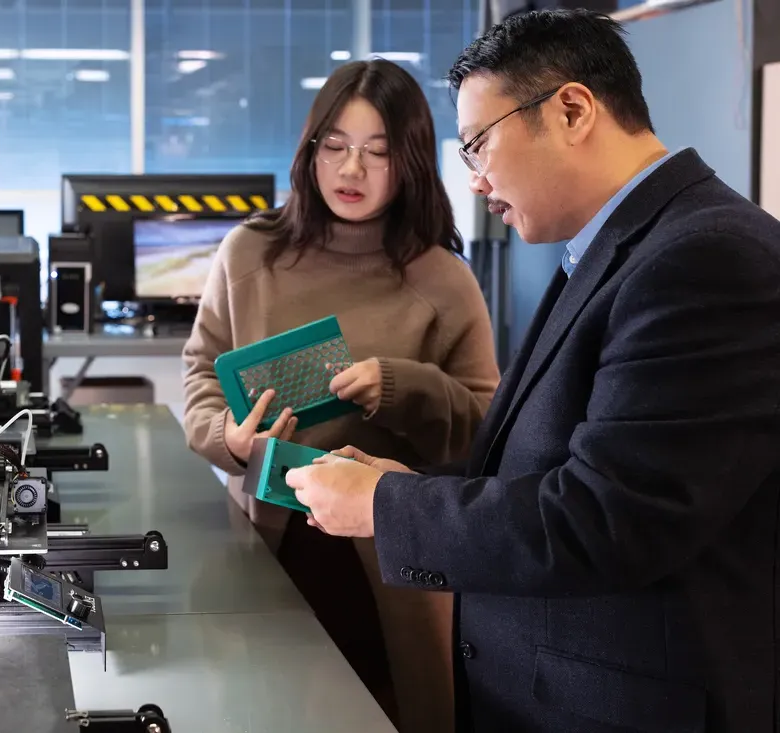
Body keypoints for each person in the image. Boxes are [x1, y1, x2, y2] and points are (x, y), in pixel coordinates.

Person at [285, 9, 780, 733]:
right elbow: (544, 463)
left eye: (479, 145)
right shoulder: (612, 249)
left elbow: (604, 519)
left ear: (572, 109)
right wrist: (407, 483)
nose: (478, 182)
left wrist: (384, 507)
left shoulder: (704, 260)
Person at [181, 59, 500, 733]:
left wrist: (401, 387)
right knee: (261, 711)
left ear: (409, 160)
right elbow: (203, 373)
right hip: (270, 537)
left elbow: (485, 428)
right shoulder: (250, 253)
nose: (350, 170)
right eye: (334, 147)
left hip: (391, 554)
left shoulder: (442, 278)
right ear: (310, 150)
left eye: (376, 152)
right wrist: (228, 439)